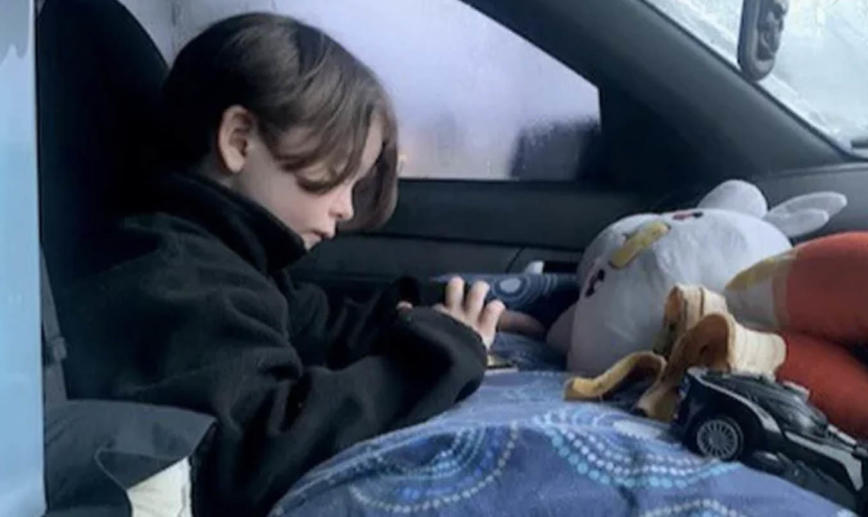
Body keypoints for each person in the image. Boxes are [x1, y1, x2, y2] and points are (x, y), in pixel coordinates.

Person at [58, 13, 534, 516]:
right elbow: (265, 445)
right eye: (336, 176)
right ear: (240, 139)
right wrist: (436, 356)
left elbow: (317, 323)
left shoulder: (230, 260)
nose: (347, 208)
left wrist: (431, 311)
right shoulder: (168, 278)